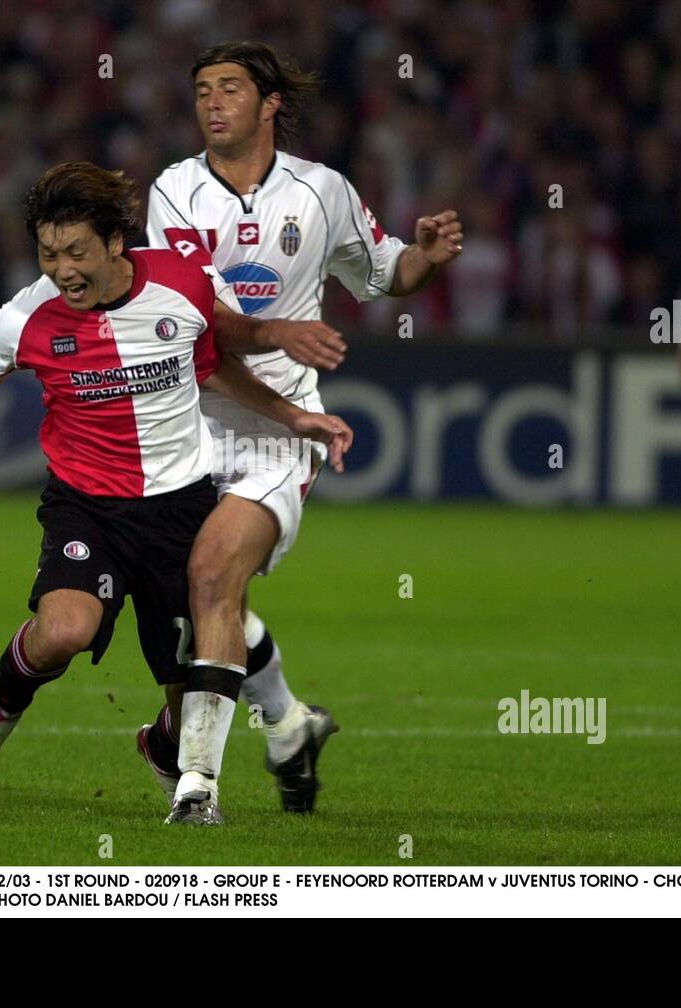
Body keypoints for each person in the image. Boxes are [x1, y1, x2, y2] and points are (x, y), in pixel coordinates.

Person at [0, 162, 352, 825]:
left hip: (178, 507)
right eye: (48, 253)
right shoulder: (25, 318)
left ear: (116, 242)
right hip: (87, 507)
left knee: (184, 691)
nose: (62, 268)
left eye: (75, 250)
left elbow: (215, 367)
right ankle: (2, 707)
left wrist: (294, 417)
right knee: (65, 630)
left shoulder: (184, 284)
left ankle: (170, 751)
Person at [138, 40, 464, 811]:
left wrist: (425, 258)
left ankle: (196, 789)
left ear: (270, 104)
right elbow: (197, 323)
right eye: (202, 91)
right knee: (203, 606)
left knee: (215, 578)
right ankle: (288, 724)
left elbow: (385, 273)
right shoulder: (175, 193)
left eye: (229, 89)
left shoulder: (322, 191)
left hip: (276, 436)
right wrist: (279, 331)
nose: (213, 103)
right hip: (186, 427)